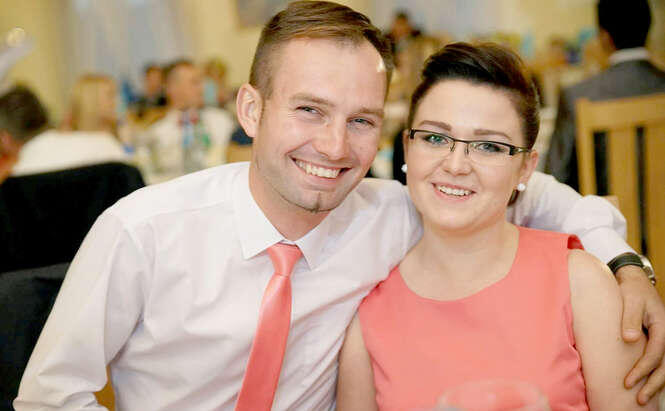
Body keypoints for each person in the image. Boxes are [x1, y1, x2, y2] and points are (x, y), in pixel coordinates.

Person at [14, 2, 665, 410]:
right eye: (309, 110)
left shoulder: (393, 212)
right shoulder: (143, 232)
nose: (333, 147)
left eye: (361, 120)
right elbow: (49, 395)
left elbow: (536, 196)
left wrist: (628, 266)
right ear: (250, 109)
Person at [336, 42, 660, 411]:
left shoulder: (581, 284)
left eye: (489, 146)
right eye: (436, 138)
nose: (456, 165)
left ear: (526, 168)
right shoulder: (368, 319)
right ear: (408, 148)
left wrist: (629, 267)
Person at [545, 0, 665, 192]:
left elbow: (555, 178)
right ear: (650, 28)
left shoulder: (577, 96)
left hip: (605, 211)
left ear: (604, 37)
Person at [10, 74, 129, 177]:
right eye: (110, 95)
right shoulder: (98, 144)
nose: (117, 101)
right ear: (92, 101)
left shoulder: (116, 134)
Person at [146, 58, 234, 177]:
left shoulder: (222, 120)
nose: (202, 88)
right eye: (195, 82)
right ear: (172, 88)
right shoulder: (157, 132)